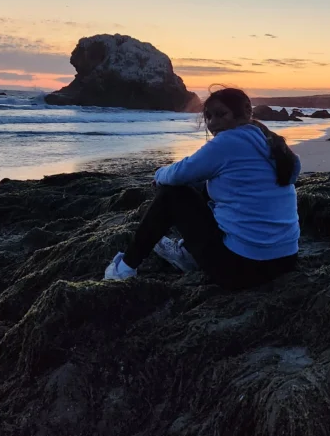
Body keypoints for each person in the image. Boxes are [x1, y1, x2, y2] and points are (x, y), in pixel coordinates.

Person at [104, 87, 301, 289]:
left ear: (245, 111)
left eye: (221, 114)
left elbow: (179, 172)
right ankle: (188, 253)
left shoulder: (227, 142)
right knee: (204, 185)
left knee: (172, 194)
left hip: (243, 269)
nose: (213, 123)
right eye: (208, 116)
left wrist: (158, 175)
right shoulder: (271, 143)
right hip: (285, 261)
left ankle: (124, 269)